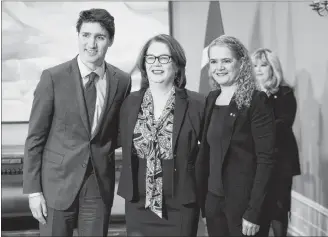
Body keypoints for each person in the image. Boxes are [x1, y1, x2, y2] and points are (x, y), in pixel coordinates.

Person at [23, 8, 131, 236]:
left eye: (100, 37)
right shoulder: (53, 78)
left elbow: (118, 131)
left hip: (98, 185)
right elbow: (35, 138)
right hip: (55, 185)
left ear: (110, 40)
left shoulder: (122, 81)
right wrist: (34, 192)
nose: (91, 44)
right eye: (86, 35)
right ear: (78, 36)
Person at [117, 34, 205, 236]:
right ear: (144, 64)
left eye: (164, 58)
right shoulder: (129, 103)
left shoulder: (197, 104)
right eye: (151, 58)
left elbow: (208, 154)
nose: (157, 63)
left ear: (177, 65)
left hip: (180, 205)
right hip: (138, 203)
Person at [195, 35, 276, 236]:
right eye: (214, 61)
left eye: (226, 61)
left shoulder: (257, 101)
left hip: (245, 206)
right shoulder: (211, 99)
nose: (219, 67)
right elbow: (206, 154)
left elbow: (266, 160)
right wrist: (205, 206)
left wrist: (254, 212)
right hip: (214, 203)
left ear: (241, 63)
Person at [252, 48, 301, 236]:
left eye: (263, 65)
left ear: (273, 68)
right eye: (254, 65)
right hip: (255, 161)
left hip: (280, 161)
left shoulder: (285, 93)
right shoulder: (248, 93)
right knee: (259, 210)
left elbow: (281, 125)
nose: (258, 69)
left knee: (278, 210)